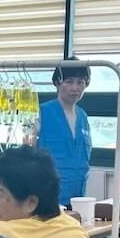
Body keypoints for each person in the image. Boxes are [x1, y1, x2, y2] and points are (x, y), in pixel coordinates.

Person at [38, 59, 92, 207]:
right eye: (69, 81)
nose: (75, 88)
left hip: (77, 197)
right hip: (47, 197)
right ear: (57, 82)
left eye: (80, 82)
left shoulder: (83, 117)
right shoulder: (42, 112)